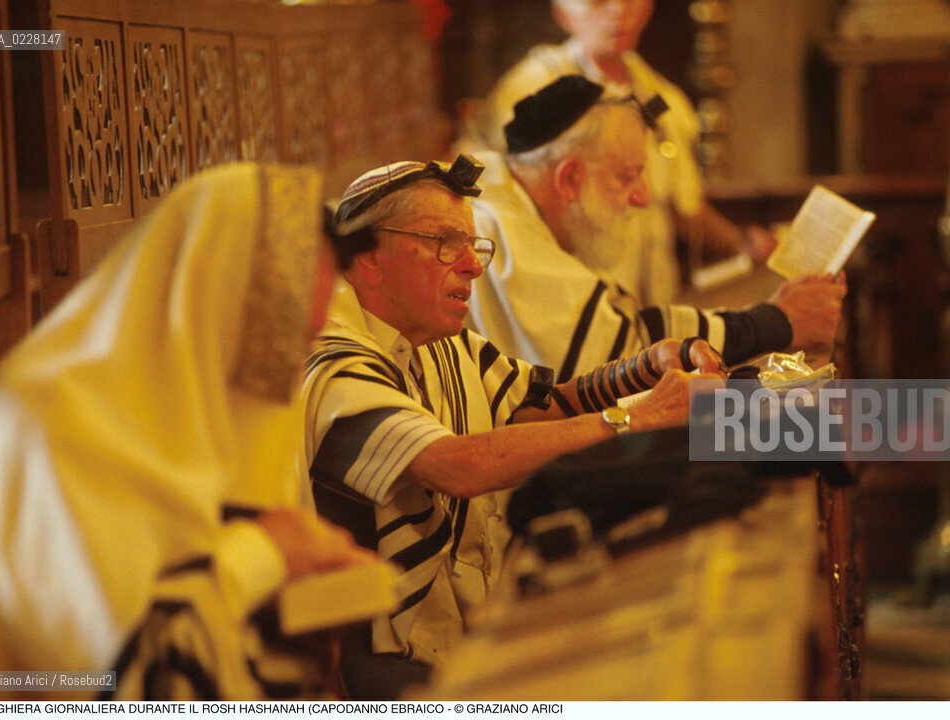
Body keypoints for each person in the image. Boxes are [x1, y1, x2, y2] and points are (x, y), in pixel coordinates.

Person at [302, 156, 726, 698]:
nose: (472, 266)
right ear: (368, 259)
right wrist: (638, 417)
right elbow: (457, 464)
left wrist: (644, 369)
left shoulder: (442, 342)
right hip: (385, 667)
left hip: (467, 620)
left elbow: (547, 405)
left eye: (473, 247)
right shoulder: (335, 362)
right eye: (443, 242)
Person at [0, 163, 378, 700]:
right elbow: (107, 684)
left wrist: (303, 611)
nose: (284, 377)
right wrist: (269, 552)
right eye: (281, 342)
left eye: (306, 344)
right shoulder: (40, 429)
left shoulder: (208, 418)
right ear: (205, 302)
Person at [467, 74, 847, 381]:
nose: (643, 198)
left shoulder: (508, 202)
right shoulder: (493, 224)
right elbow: (617, 351)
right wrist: (777, 321)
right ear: (568, 179)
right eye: (627, 176)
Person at [458, 0, 777, 306]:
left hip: (651, 304)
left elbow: (684, 205)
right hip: (570, 304)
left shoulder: (663, 97)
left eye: (629, 0)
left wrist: (740, 241)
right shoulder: (534, 88)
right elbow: (497, 200)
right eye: (599, 1)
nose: (618, 11)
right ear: (563, 14)